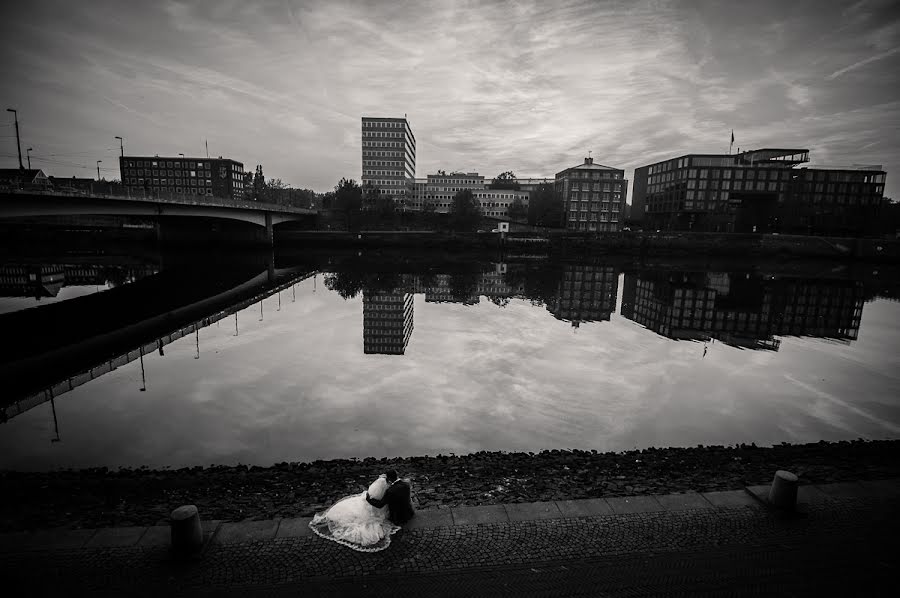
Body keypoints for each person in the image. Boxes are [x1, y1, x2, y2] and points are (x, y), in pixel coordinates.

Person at [308, 473, 401, 552]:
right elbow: (380, 503)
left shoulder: (381, 480)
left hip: (373, 502)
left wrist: (369, 498)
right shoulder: (386, 485)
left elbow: (372, 493)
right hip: (376, 506)